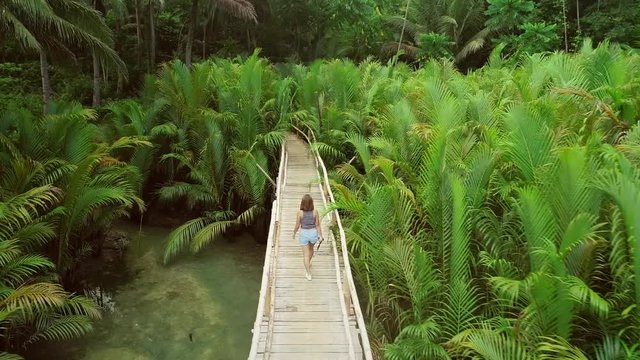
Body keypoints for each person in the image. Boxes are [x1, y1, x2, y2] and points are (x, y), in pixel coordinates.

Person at [292, 194, 324, 281]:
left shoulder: (300, 213)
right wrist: (320, 235)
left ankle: (308, 274)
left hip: (304, 234)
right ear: (311, 203)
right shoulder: (315, 212)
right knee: (311, 250)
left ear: (302, 203)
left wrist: (294, 233)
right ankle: (308, 264)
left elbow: (297, 225)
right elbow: (317, 225)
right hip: (313, 233)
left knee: (306, 255)